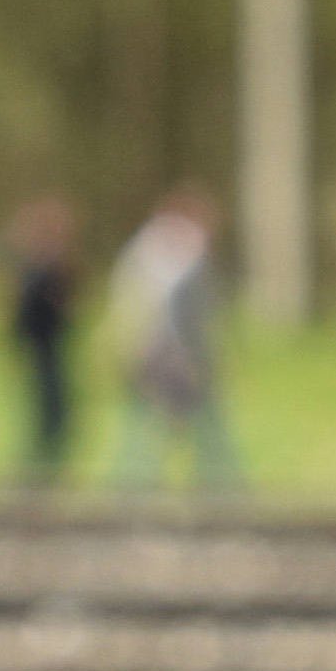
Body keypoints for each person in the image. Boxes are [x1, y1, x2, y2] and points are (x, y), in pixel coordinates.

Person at [107, 184, 236, 496]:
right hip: (167, 354)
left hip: (156, 352)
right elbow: (174, 312)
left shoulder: (147, 251)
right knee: (185, 421)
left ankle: (134, 485)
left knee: (159, 422)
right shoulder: (175, 255)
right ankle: (220, 487)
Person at [0, 197, 83, 486]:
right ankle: (39, 472)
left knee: (55, 410)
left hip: (49, 345)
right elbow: (33, 308)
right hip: (44, 346)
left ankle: (43, 470)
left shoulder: (41, 266)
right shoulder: (39, 267)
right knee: (50, 409)